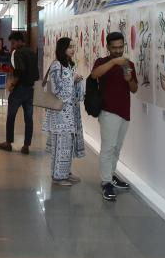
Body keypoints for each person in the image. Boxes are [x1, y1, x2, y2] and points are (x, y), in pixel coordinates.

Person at [90, 31, 139, 201]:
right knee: (108, 148)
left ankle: (110, 175)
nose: (118, 50)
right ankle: (106, 182)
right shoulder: (102, 62)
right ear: (108, 47)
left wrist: (129, 79)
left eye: (120, 47)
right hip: (108, 111)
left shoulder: (129, 64)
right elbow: (94, 75)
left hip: (124, 111)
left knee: (117, 148)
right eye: (114, 47)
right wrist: (113, 62)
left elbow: (134, 89)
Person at [42, 37, 85, 186]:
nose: (73, 49)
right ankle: (58, 177)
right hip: (59, 114)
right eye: (69, 47)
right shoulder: (56, 65)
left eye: (73, 46)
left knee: (68, 145)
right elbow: (56, 89)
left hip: (70, 113)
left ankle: (65, 172)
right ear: (62, 48)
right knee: (60, 145)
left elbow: (72, 89)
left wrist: (77, 80)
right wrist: (72, 79)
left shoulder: (69, 64)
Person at [0, 30, 38, 154]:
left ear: (20, 41)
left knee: (11, 116)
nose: (12, 46)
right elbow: (36, 73)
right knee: (29, 118)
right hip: (30, 90)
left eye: (13, 43)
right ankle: (26, 146)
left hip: (19, 90)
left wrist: (12, 84)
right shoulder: (32, 52)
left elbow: (19, 71)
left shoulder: (18, 53)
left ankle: (8, 143)